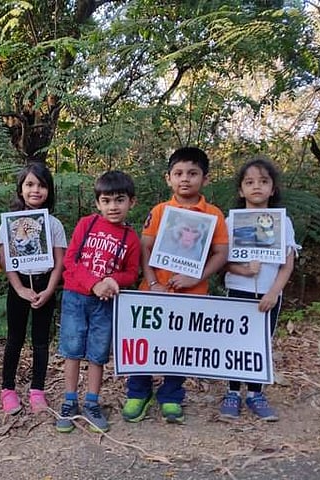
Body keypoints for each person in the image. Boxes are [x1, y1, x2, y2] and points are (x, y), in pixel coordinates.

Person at [121, 147, 229, 424]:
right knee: (145, 343)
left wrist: (197, 277)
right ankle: (138, 392)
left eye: (192, 173)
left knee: (180, 346)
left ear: (205, 178)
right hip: (154, 293)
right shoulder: (160, 211)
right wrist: (153, 282)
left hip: (191, 294)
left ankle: (171, 395)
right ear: (168, 178)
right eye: (178, 173)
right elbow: (145, 248)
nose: (185, 179)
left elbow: (221, 253)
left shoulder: (214, 215)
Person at [55, 171, 141, 433]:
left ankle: (92, 402)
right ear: (98, 203)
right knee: (72, 349)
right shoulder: (87, 224)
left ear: (131, 202)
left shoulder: (131, 238)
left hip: (105, 302)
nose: (113, 206)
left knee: (98, 353)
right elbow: (70, 260)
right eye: (106, 200)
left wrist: (112, 281)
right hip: (75, 297)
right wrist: (94, 283)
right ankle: (70, 401)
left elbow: (131, 273)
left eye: (119, 200)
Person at [220, 156, 299, 422]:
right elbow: (222, 262)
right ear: (241, 190)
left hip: (268, 294)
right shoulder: (230, 223)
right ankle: (232, 392)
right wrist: (243, 271)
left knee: (260, 343)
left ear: (273, 189)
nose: (257, 186)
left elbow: (287, 264)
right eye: (250, 182)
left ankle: (256, 393)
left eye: (263, 181)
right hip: (237, 291)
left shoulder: (283, 223)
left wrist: (274, 292)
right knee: (235, 341)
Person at [0, 164, 67, 415]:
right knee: (14, 339)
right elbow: (5, 259)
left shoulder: (54, 224)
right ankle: (7, 390)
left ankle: (38, 390)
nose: (35, 190)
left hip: (44, 285)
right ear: (20, 189)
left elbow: (60, 262)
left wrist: (49, 290)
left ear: (49, 190)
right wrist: (19, 288)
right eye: (29, 184)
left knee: (40, 341)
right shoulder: (9, 222)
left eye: (41, 185)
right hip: (19, 286)